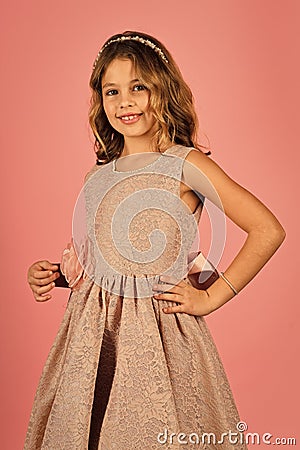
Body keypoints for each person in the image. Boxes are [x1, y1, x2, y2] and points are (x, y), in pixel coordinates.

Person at [25, 31, 286, 450]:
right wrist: (55, 275)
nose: (125, 101)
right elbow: (103, 259)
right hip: (92, 337)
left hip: (158, 340)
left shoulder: (184, 164)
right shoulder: (97, 177)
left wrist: (211, 297)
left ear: (163, 91)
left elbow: (267, 229)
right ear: (100, 100)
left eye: (138, 87)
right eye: (112, 91)